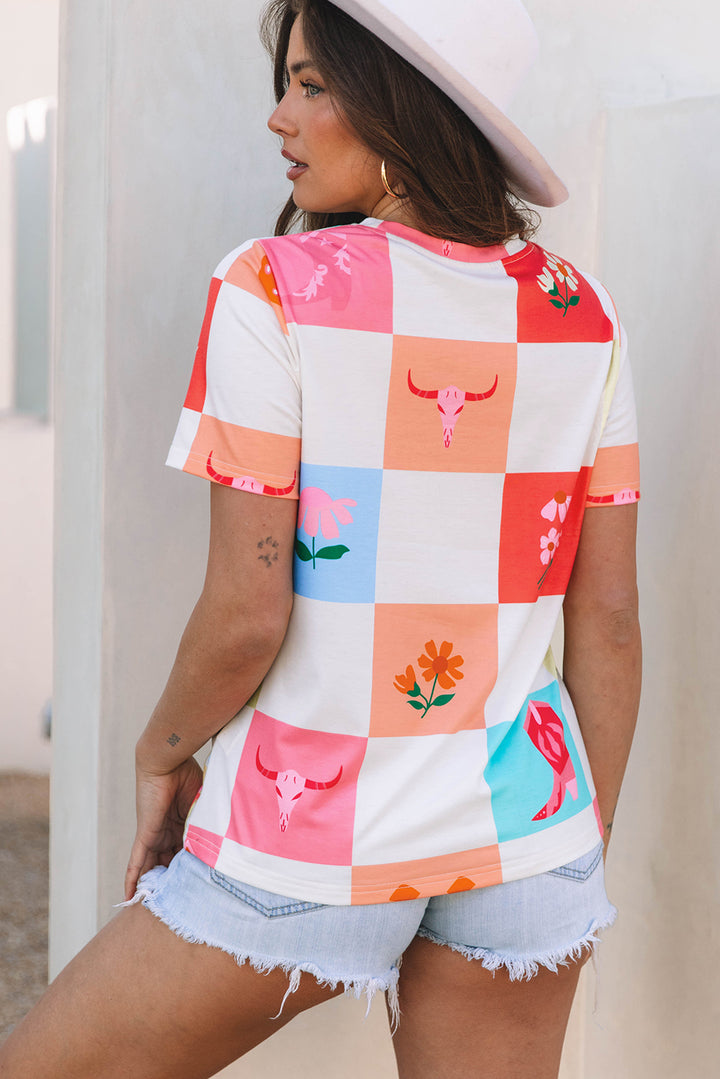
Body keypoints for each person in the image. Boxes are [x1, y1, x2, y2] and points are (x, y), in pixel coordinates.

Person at [0, 1, 641, 1076]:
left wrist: (161, 753)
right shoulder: (584, 314)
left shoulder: (271, 288)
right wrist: (574, 842)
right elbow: (610, 620)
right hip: (528, 833)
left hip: (311, 838)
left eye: (311, 85)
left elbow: (248, 610)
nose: (279, 117)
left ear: (400, 103)